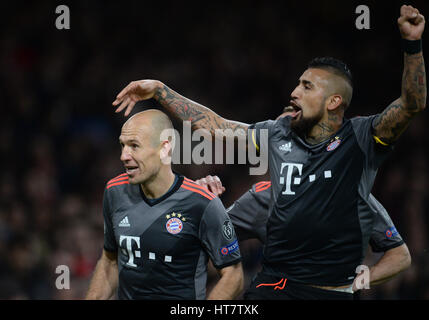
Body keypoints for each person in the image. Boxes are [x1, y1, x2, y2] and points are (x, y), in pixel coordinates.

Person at [111, 5, 426, 299]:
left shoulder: (360, 138)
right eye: (297, 84)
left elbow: (411, 105)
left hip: (331, 292)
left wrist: (412, 46)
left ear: (333, 102)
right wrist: (159, 90)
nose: (294, 92)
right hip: (275, 285)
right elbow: (216, 127)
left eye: (306, 86)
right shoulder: (279, 132)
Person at [85, 110, 243, 300]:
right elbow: (110, 261)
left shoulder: (202, 203)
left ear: (165, 147)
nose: (124, 156)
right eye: (122, 145)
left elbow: (233, 275)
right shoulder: (114, 191)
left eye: (134, 146)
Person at [195, 176, 411, 296]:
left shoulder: (352, 194)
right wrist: (200, 203)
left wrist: (353, 284)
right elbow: (203, 242)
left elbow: (400, 255)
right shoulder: (263, 196)